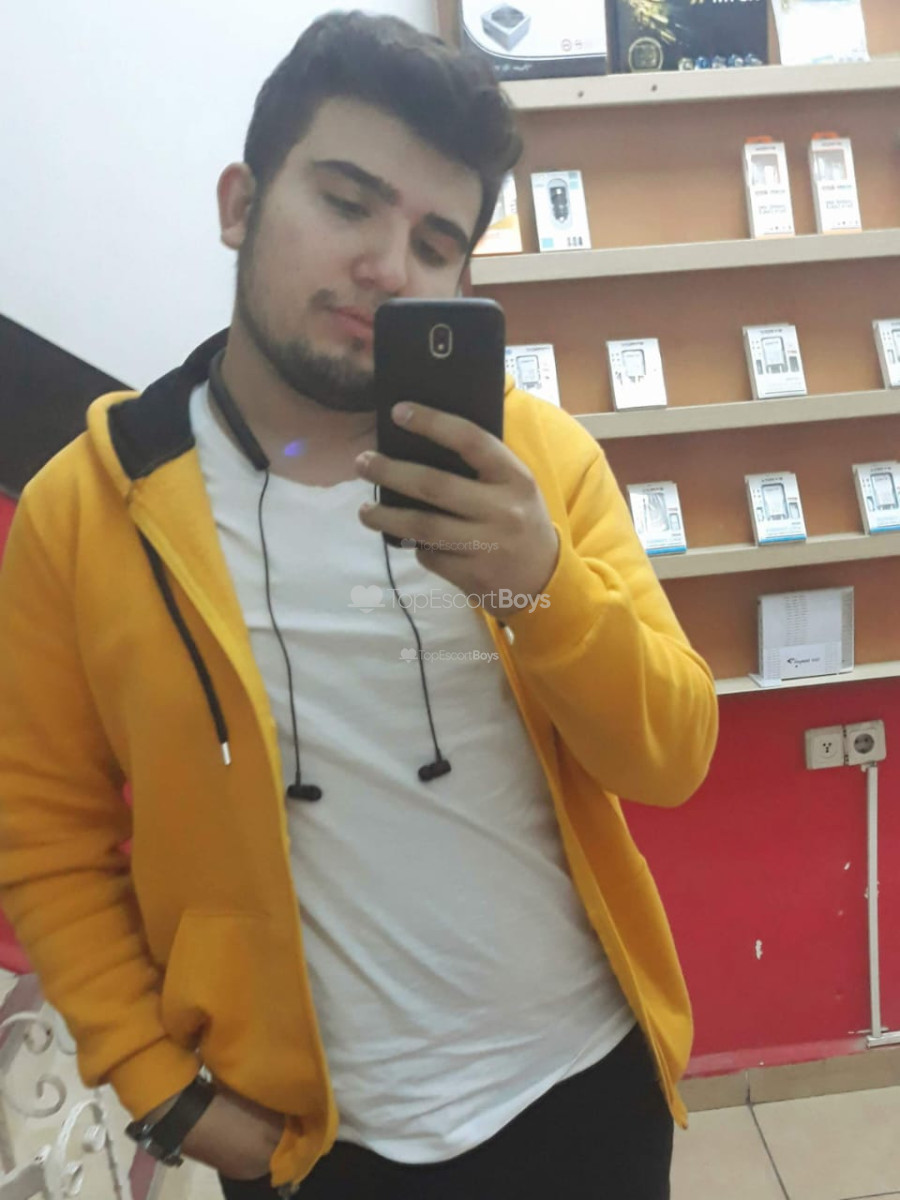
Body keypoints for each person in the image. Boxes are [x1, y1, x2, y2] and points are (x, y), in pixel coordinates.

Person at [0, 11, 718, 1199]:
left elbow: (673, 756)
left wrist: (536, 584)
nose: (389, 268)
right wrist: (161, 1089)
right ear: (240, 205)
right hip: (311, 1141)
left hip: (589, 1090)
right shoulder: (90, 508)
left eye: (436, 242)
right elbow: (45, 834)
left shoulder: (532, 463)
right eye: (346, 203)